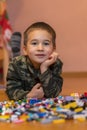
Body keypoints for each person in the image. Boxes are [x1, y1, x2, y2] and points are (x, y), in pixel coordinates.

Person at [6, 21, 63, 100]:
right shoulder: (15, 64)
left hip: (44, 107)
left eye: (46, 44)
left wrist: (44, 68)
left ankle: (16, 52)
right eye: (34, 43)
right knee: (17, 59)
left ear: (53, 49)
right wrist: (29, 95)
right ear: (25, 50)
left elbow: (54, 94)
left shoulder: (55, 63)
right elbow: (11, 92)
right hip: (25, 106)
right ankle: (16, 54)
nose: (40, 48)